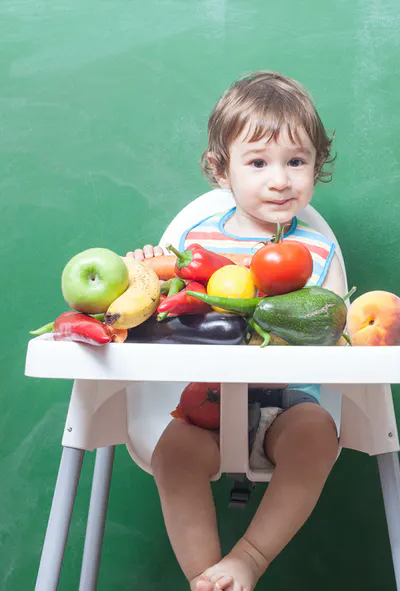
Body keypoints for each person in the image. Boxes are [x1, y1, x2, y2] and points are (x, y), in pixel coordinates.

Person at [127, 70, 345, 591]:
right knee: (172, 455)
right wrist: (145, 270)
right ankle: (207, 580)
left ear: (317, 166)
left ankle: (248, 559)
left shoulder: (320, 252)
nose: (280, 179)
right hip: (205, 406)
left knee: (317, 436)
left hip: (288, 405)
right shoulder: (194, 244)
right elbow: (165, 315)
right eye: (258, 162)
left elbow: (337, 334)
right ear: (221, 170)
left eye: (297, 161)